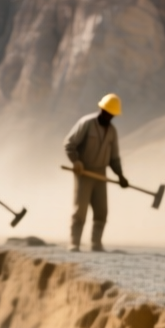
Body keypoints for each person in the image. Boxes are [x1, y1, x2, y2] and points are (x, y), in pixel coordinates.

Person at [64, 93, 127, 252]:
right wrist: (76, 161)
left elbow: (114, 158)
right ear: (102, 109)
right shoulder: (86, 123)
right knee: (80, 210)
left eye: (112, 115)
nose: (109, 116)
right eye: (107, 112)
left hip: (101, 175)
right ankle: (74, 243)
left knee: (102, 211)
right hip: (84, 172)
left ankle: (96, 244)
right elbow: (69, 144)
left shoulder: (112, 131)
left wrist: (120, 176)